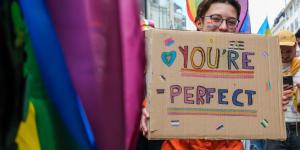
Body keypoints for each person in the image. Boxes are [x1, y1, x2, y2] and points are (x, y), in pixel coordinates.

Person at [139, 0, 292, 149]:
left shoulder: (250, 65)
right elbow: (159, 91)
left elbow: (258, 106)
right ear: (199, 23)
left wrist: (271, 105)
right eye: (216, 19)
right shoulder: (175, 55)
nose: (224, 27)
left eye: (231, 22)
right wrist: (146, 110)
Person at [264, 30, 300, 150]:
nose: (284, 55)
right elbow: (262, 94)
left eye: (288, 51)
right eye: (280, 51)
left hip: (297, 124)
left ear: (296, 46)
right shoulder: (268, 68)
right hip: (275, 125)